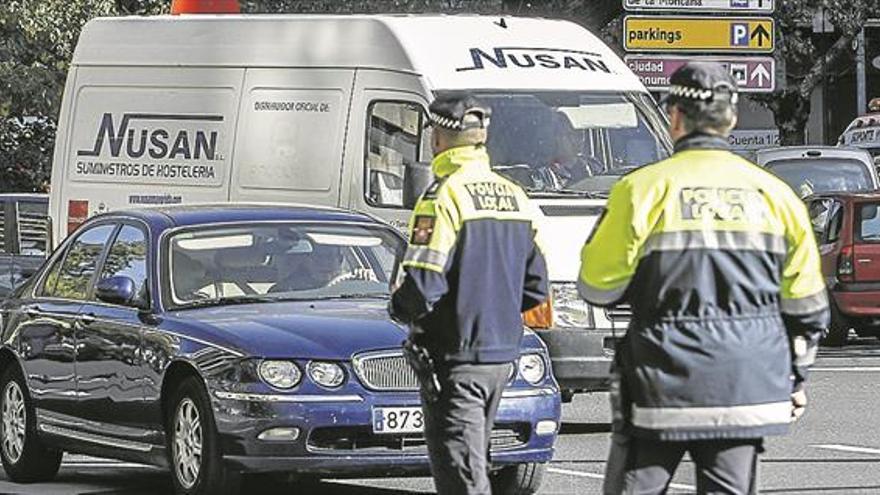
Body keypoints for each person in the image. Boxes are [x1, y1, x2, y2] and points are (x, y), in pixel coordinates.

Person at [577, 62, 830, 494]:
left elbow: (597, 286)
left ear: (674, 117)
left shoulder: (641, 190)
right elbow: (807, 307)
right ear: (730, 119)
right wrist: (796, 377)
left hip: (659, 385)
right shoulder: (777, 196)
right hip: (745, 389)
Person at [390, 93, 549, 495]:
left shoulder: (443, 196)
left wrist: (399, 307)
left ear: (437, 138)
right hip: (499, 356)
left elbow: (423, 285)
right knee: (474, 463)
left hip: (455, 359)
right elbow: (536, 289)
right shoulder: (517, 197)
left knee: (461, 475)